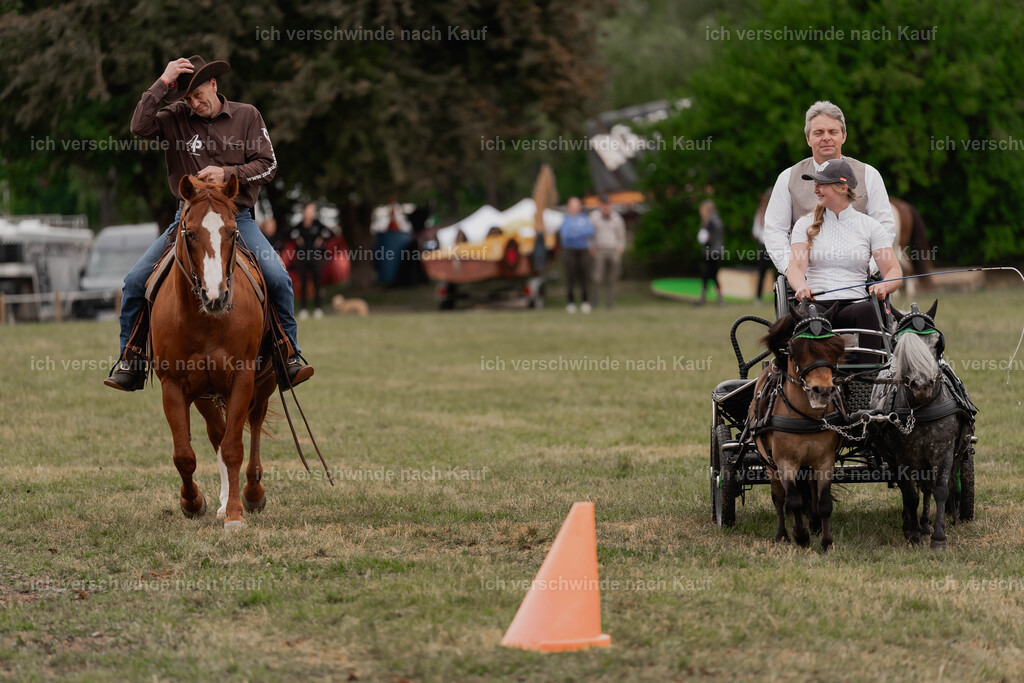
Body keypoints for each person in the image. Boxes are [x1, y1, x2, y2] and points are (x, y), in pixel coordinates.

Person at [105, 55, 313, 391]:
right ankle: (131, 360)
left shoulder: (247, 115)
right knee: (134, 282)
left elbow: (268, 164)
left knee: (277, 277)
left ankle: (287, 354)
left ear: (214, 85)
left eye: (198, 94)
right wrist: (163, 81)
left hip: (237, 219)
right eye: (187, 98)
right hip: (187, 222)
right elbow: (139, 127)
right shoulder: (174, 118)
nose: (194, 102)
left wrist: (228, 172)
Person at [764, 101, 895, 276]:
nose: (826, 137)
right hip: (806, 279)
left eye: (832, 132)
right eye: (818, 133)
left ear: (844, 136)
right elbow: (775, 230)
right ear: (808, 139)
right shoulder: (788, 178)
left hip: (860, 275)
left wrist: (869, 268)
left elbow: (884, 225)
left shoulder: (869, 175)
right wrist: (793, 271)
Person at [786, 158, 901, 358]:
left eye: (821, 184)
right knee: (810, 316)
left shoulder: (870, 226)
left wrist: (884, 286)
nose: (815, 190)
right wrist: (800, 286)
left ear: (841, 187)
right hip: (817, 302)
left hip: (857, 304)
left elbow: (893, 271)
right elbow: (795, 267)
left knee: (869, 312)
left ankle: (870, 380)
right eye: (815, 184)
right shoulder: (804, 224)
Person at [290, 202, 335, 319]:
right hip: (303, 257)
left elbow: (331, 234)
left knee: (317, 283)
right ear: (304, 212)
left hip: (316, 257)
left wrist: (322, 238)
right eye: (310, 210)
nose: (312, 213)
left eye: (313, 211)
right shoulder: (299, 226)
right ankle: (303, 309)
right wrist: (297, 239)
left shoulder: (318, 225)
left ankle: (318, 308)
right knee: (303, 283)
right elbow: (288, 234)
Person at [589, 194, 626, 309]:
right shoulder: (593, 217)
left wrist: (620, 248)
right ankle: (594, 302)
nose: (605, 207)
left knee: (612, 278)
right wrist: (591, 247)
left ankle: (610, 303)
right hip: (599, 250)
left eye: (607, 204)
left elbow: (621, 235)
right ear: (600, 205)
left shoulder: (616, 218)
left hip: (613, 250)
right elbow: (589, 234)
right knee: (597, 278)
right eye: (603, 204)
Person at [559, 197, 595, 313]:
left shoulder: (584, 218)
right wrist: (580, 233)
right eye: (572, 205)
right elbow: (566, 235)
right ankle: (571, 302)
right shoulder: (565, 219)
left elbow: (590, 232)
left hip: (583, 250)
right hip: (569, 250)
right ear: (569, 206)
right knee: (570, 277)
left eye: (577, 205)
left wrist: (575, 232)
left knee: (585, 277)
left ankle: (585, 301)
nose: (575, 207)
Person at [697, 199, 725, 306]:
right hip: (716, 251)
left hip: (712, 252)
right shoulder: (716, 219)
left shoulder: (710, 221)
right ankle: (719, 298)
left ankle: (704, 297)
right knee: (712, 275)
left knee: (708, 274)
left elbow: (705, 238)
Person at [751, 189, 773, 304]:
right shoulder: (762, 212)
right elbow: (756, 231)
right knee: (763, 272)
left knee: (766, 272)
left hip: (770, 244)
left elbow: (756, 232)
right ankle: (759, 297)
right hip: (767, 244)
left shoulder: (770, 211)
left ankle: (761, 297)